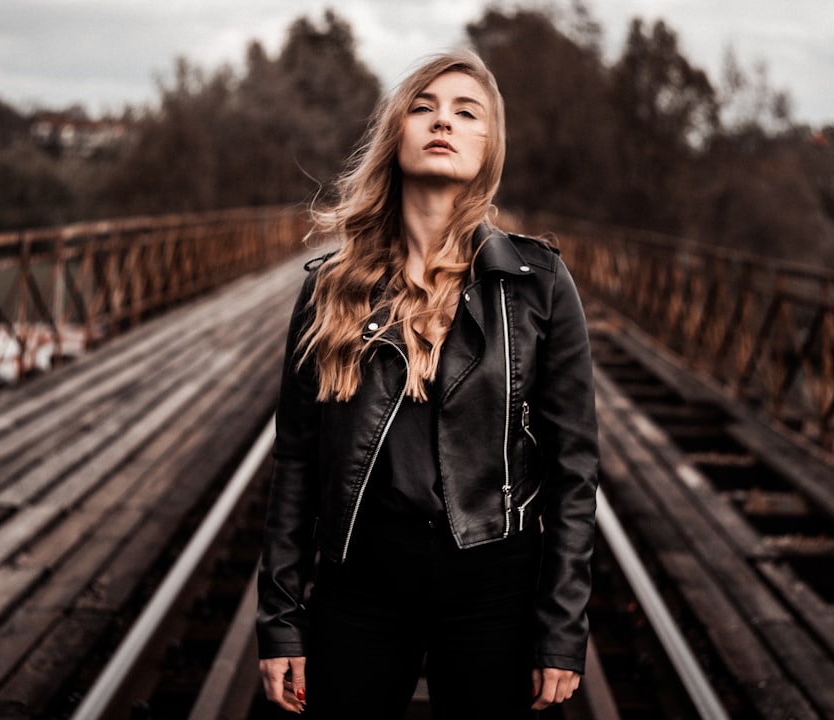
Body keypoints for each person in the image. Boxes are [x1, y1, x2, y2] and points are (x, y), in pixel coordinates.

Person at [256, 49, 599, 719]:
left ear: (488, 147)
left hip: (495, 582)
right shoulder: (330, 288)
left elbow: (575, 471)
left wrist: (562, 630)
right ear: (396, 135)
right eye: (423, 107)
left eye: (466, 111)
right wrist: (281, 618)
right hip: (362, 580)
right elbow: (296, 462)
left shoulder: (538, 286)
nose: (443, 120)